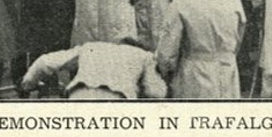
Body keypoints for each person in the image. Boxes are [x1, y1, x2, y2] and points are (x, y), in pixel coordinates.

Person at [156, 0, 246, 98]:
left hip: (193, 73)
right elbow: (239, 37)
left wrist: (166, 73)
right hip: (227, 70)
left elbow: (167, 51)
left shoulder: (182, 0)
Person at [21, 39, 167, 99]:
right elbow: (156, 92)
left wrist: (28, 85)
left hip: (79, 95)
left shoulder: (90, 47)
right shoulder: (144, 56)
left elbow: (44, 62)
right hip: (117, 100)